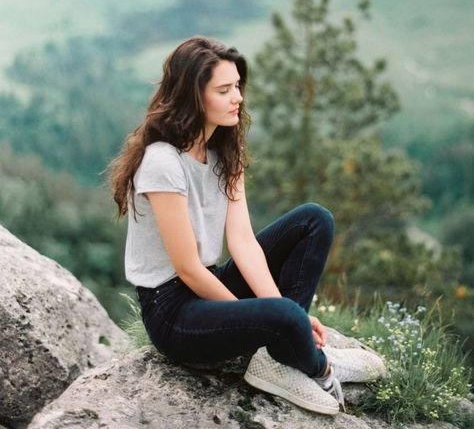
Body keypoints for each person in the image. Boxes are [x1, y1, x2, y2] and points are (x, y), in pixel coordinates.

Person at [108, 35, 385, 416]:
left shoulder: (223, 150)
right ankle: (320, 366)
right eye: (224, 90)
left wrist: (282, 316)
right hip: (172, 312)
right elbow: (187, 269)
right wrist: (265, 317)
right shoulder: (162, 163)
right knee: (282, 314)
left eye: (237, 86)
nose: (237, 97)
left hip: (209, 282)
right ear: (193, 96)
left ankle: (284, 354)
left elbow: (242, 242)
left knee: (313, 220)